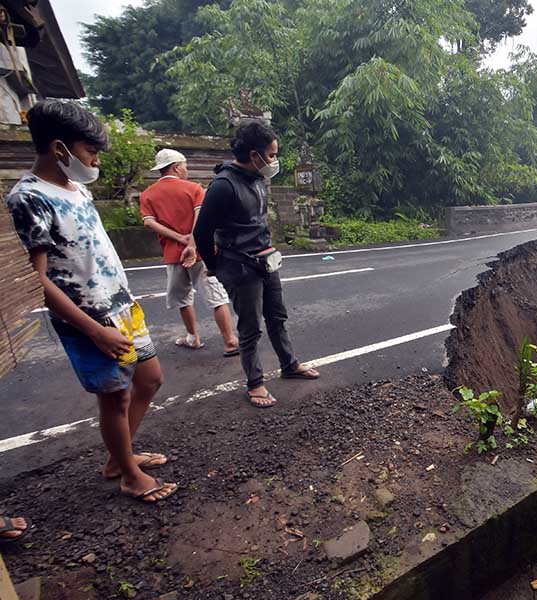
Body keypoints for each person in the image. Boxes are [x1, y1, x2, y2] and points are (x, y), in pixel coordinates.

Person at [5, 100, 176, 502]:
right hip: (88, 320)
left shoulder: (77, 188)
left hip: (121, 306)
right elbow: (36, 278)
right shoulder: (27, 199)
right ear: (59, 149)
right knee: (115, 396)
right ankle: (129, 474)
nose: (95, 161)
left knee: (149, 380)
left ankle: (121, 457)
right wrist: (95, 330)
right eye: (90, 151)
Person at [194, 119, 319, 409]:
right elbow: (202, 232)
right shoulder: (224, 186)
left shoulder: (257, 179)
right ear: (254, 155)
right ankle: (255, 384)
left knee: (278, 318)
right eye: (272, 154)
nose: (275, 160)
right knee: (250, 328)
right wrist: (215, 266)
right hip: (239, 266)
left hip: (266, 261)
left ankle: (289, 365)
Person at [140, 149, 239, 356]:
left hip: (172, 255)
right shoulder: (193, 188)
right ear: (177, 167)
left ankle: (193, 338)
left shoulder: (148, 194)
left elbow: (149, 223)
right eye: (184, 166)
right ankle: (230, 341)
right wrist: (192, 244)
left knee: (183, 299)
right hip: (201, 252)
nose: (186, 170)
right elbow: (201, 218)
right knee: (216, 297)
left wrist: (179, 239)